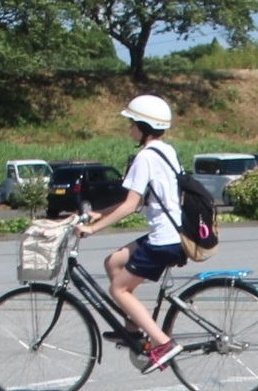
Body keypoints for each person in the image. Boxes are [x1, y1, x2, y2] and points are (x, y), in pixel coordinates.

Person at [74, 95, 185, 374]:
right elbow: (144, 199)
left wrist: (93, 228)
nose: (129, 129)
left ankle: (162, 343)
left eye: (132, 123)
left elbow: (131, 204)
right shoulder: (165, 151)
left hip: (164, 241)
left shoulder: (145, 157)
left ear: (143, 126)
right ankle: (134, 332)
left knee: (118, 288)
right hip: (172, 234)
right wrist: (101, 212)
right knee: (113, 262)